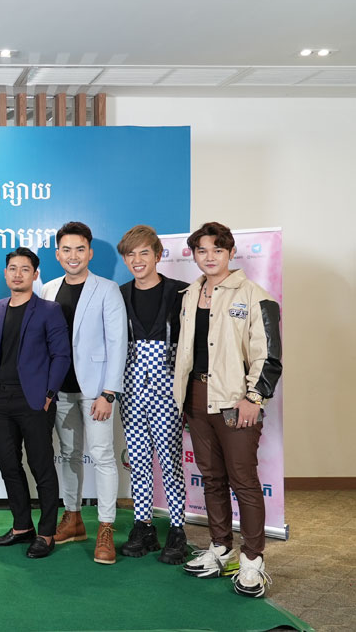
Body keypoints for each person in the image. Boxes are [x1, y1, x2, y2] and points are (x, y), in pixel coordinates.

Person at [176, 222, 282, 598]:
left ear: (230, 253)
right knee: (212, 478)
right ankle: (221, 548)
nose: (209, 257)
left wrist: (255, 398)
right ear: (194, 254)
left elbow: (269, 356)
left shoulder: (255, 296)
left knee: (244, 481)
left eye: (217, 250)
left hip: (236, 402)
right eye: (202, 250)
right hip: (196, 397)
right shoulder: (190, 294)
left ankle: (252, 560)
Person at [41, 221, 127, 565]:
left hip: (96, 391)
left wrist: (109, 392)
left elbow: (118, 343)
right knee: (68, 454)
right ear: (57, 254)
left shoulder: (107, 289)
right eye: (66, 249)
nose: (73, 255)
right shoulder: (47, 289)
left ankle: (105, 527)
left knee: (103, 456)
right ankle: (73, 517)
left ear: (89, 253)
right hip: (60, 390)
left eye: (80, 249)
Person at [0, 248, 71, 559]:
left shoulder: (49, 310)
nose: (17, 274)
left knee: (41, 466)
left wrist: (49, 394)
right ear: (5, 273)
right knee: (8, 465)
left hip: (34, 400)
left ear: (35, 274)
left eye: (25, 269)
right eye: (12, 268)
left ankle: (46, 533)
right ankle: (22, 526)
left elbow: (61, 354)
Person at [116, 225, 190, 564]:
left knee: (171, 462)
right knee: (139, 461)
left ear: (158, 255)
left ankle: (177, 529)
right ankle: (143, 525)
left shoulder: (181, 293)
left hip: (168, 389)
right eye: (130, 254)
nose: (137, 260)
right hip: (131, 389)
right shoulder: (119, 294)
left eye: (144, 252)